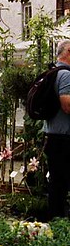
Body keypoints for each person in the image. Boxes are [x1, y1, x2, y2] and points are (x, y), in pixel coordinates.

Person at [42, 39, 70, 220]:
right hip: (63, 138)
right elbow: (67, 105)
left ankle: (55, 219)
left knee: (57, 181)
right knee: (60, 182)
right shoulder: (66, 75)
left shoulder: (52, 72)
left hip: (52, 134)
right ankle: (58, 221)